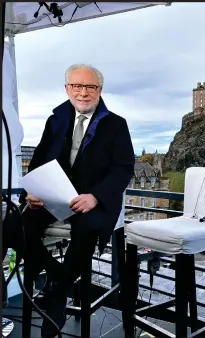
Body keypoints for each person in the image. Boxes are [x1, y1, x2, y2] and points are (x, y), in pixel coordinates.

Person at [18, 64, 135, 337]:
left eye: (90, 87)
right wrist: (31, 192)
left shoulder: (116, 124)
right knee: (15, 226)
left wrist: (95, 197)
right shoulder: (56, 119)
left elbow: (124, 168)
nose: (83, 92)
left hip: (93, 199)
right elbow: (38, 160)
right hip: (54, 194)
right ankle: (58, 274)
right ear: (67, 89)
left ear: (100, 90)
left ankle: (57, 294)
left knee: (87, 229)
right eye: (77, 86)